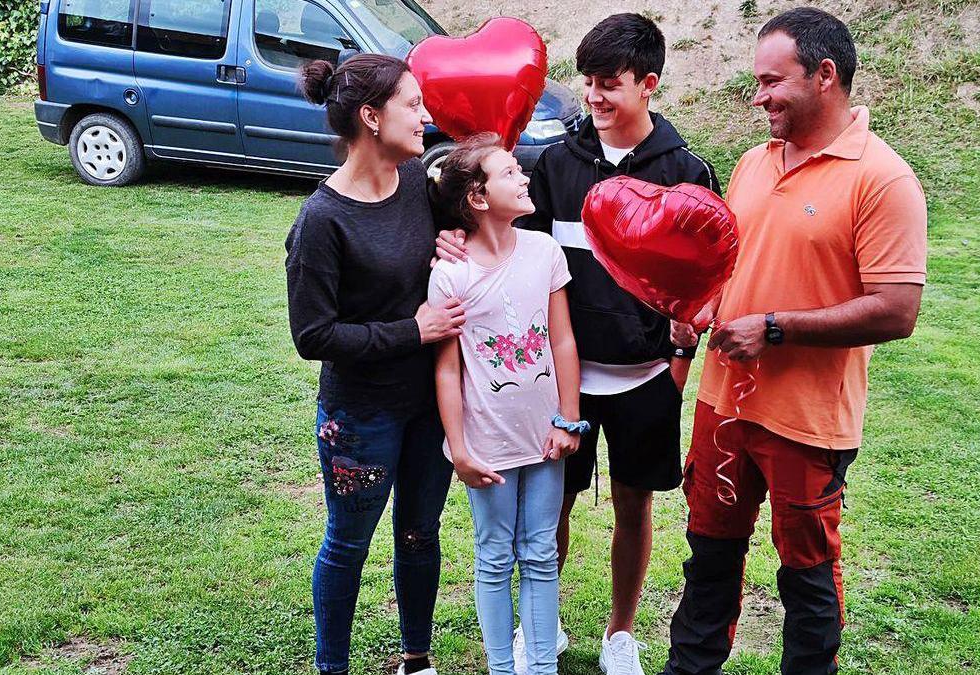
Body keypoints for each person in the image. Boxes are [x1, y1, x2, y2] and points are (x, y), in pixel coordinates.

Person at [437, 14, 719, 675]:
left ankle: (621, 634)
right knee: (550, 504)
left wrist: (678, 360)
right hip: (556, 383)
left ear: (648, 84)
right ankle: (547, 621)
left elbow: (708, 280)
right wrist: (450, 234)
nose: (593, 95)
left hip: (646, 377)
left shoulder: (687, 171)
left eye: (609, 83)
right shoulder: (557, 163)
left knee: (633, 502)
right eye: (587, 81)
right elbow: (490, 216)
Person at [661, 8, 928, 675]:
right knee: (708, 560)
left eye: (772, 81)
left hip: (806, 421)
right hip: (724, 406)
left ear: (825, 75)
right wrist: (705, 305)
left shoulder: (883, 178)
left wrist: (774, 328)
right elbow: (735, 266)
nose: (759, 97)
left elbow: (897, 310)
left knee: (806, 580)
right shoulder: (753, 163)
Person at [285, 53, 464, 675]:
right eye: (412, 105)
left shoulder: (417, 181)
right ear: (370, 116)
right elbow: (313, 334)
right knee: (348, 543)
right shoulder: (322, 220)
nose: (425, 115)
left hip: (430, 405)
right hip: (360, 415)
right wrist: (411, 331)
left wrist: (454, 239)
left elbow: (452, 240)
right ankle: (331, 666)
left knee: (420, 532)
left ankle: (416, 661)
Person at [428, 133, 583, 675]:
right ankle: (501, 667)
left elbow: (562, 340)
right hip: (486, 441)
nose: (524, 178)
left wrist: (569, 420)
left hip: (545, 436)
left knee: (541, 553)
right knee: (493, 556)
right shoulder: (450, 272)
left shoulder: (544, 250)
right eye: (511, 172)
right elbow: (448, 367)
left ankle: (540, 667)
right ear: (477, 197)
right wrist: (460, 447)